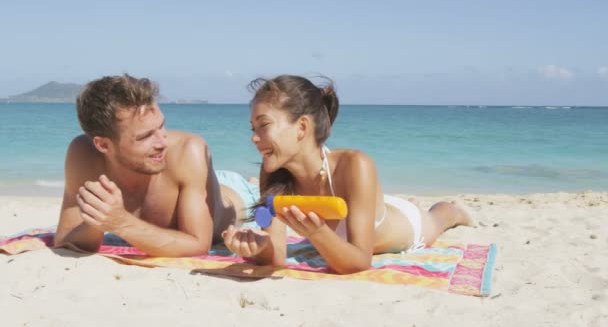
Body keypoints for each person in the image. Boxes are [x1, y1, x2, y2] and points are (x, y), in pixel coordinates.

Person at [221, 75, 475, 274]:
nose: (254, 138)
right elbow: (276, 257)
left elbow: (359, 262)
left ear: (302, 126)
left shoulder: (354, 165)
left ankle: (454, 210)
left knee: (438, 218)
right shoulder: (272, 172)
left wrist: (316, 233)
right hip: (367, 212)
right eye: (253, 128)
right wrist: (257, 247)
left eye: (264, 126)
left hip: (406, 228)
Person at [54, 74, 258, 257]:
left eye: (161, 126)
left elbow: (198, 245)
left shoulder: (189, 150)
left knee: (254, 194)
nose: (162, 142)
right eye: (145, 136)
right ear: (103, 145)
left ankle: (253, 182)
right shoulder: (84, 153)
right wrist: (98, 221)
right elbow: (65, 241)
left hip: (238, 195)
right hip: (191, 181)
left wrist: (121, 222)